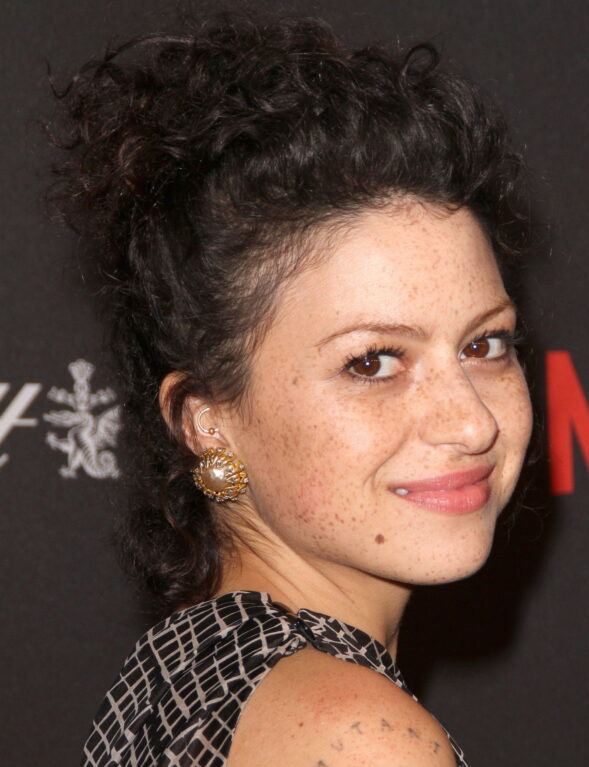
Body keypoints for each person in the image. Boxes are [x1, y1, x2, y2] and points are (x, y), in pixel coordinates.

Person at [50, 11, 533, 767]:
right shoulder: (355, 737)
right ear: (208, 419)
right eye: (373, 362)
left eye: (485, 345)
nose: (471, 422)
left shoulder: (187, 674)